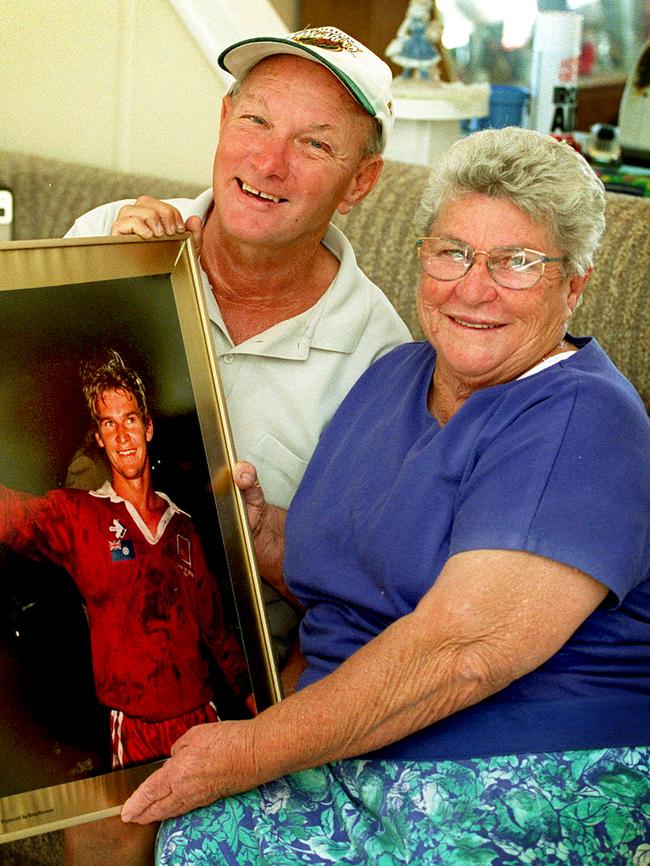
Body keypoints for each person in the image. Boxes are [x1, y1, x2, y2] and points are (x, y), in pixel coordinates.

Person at [120, 128, 650, 865]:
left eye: (517, 263)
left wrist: (248, 751)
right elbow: (344, 566)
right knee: (164, 822)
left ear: (575, 284)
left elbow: (461, 653)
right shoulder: (393, 374)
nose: (473, 288)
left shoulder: (580, 415)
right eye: (453, 252)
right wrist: (259, 530)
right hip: (363, 751)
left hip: (520, 763)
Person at [65, 24, 411, 663]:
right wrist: (109, 279)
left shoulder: (383, 361)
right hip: (53, 626)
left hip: (223, 683)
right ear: (224, 120)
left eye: (314, 144)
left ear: (360, 182)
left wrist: (265, 535)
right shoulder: (109, 238)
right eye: (255, 121)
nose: (269, 162)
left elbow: (369, 603)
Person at [0, 349, 251, 860]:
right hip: (133, 728)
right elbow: (16, 518)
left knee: (225, 841)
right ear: (98, 438)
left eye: (130, 420)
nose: (122, 435)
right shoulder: (81, 517)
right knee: (140, 840)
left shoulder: (182, 528)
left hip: (202, 721)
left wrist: (260, 714)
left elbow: (220, 635)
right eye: (109, 424)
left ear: (148, 427)